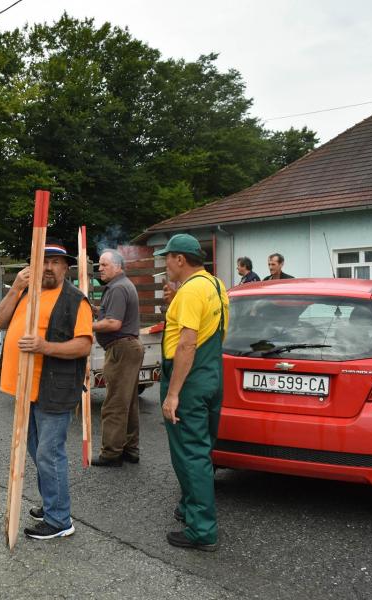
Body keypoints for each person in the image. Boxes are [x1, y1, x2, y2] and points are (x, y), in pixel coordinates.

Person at [0, 238, 93, 540]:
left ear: (65, 268)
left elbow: (83, 345)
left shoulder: (75, 300)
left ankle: (60, 521)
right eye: (43, 261)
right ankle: (52, 504)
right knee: (38, 453)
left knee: (49, 454)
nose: (48, 267)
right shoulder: (26, 293)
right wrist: (14, 288)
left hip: (55, 389)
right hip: (26, 389)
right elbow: (1, 320)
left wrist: (43, 346)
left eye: (54, 262)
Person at [154, 233, 228, 552]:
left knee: (190, 453)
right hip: (211, 373)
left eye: (167, 258)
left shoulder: (190, 291)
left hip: (189, 378)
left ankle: (202, 530)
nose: (164, 264)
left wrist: (173, 394)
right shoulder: (215, 284)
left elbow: (187, 343)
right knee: (201, 448)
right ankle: (188, 507)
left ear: (180, 259)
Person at [91, 249, 144, 467]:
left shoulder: (118, 288)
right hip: (128, 348)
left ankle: (111, 453)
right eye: (99, 265)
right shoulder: (121, 286)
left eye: (104, 265)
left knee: (114, 403)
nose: (100, 268)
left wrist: (87, 325)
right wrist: (95, 310)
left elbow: (113, 323)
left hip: (121, 349)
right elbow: (110, 315)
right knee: (128, 402)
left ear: (118, 266)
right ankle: (130, 449)